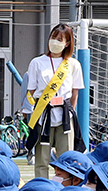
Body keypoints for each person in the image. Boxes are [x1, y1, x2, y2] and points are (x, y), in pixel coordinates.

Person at [26, 24, 85, 179]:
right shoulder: (37, 62)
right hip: (43, 116)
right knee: (41, 160)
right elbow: (31, 91)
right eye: (53, 37)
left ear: (67, 43)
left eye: (60, 39)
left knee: (67, 160)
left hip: (65, 118)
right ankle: (42, 190)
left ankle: (64, 190)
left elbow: (75, 93)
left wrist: (70, 113)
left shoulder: (73, 64)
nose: (54, 42)